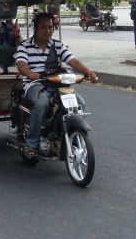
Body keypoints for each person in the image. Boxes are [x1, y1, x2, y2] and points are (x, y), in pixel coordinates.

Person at [16, 12, 98, 157]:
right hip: (35, 83)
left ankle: (63, 132)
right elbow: (21, 65)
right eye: (43, 27)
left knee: (79, 104)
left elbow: (72, 61)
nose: (48, 30)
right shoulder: (25, 46)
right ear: (35, 29)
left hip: (57, 83)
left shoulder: (57, 45)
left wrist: (87, 71)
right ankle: (32, 144)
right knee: (41, 103)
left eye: (50, 27)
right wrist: (29, 73)